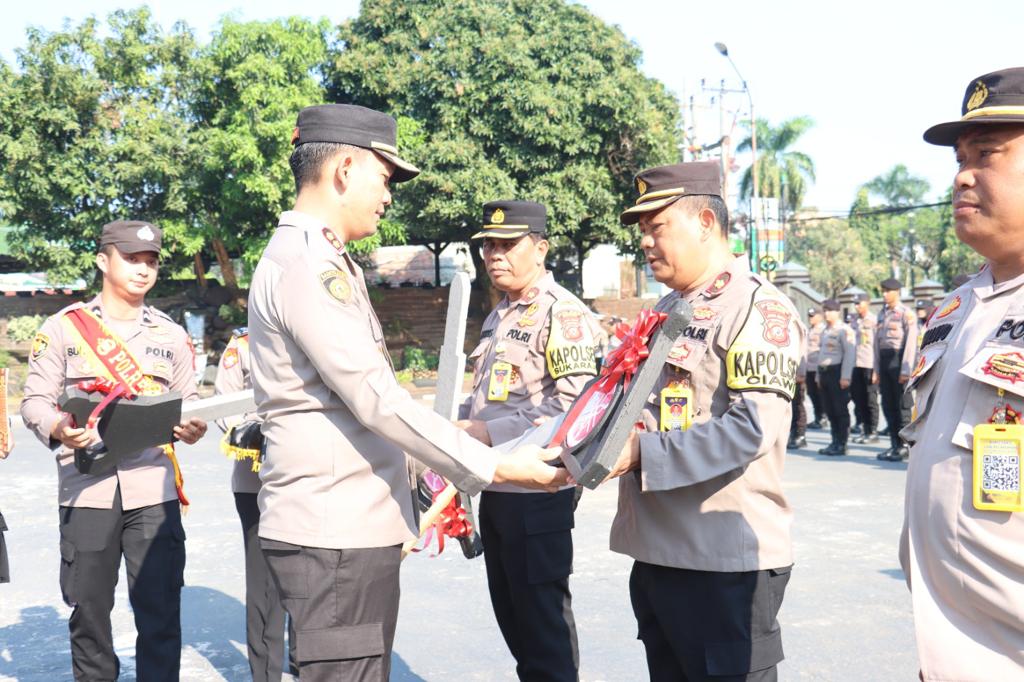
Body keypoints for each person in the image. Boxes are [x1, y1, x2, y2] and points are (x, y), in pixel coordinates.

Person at [247, 103, 567, 681]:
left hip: (342, 527)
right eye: (384, 176)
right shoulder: (307, 264)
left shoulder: (319, 258)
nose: (388, 194)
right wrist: (496, 469)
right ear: (344, 169)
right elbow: (376, 398)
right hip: (333, 533)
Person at [602, 161, 804, 681]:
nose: (645, 243)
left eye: (657, 228)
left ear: (706, 224)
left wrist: (639, 453)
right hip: (658, 550)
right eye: (642, 232)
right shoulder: (671, 307)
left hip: (722, 564)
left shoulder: (757, 307)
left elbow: (752, 429)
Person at [20, 220, 207, 681]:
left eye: (151, 262)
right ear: (104, 261)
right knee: (90, 615)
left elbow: (194, 402)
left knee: (160, 612)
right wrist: (61, 427)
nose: (143, 270)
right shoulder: (65, 329)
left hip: (153, 492)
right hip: (88, 488)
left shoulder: (170, 334)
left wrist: (194, 426)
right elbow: (34, 403)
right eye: (132, 259)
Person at [900, 65, 1024, 680]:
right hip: (950, 647)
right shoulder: (955, 306)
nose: (962, 175)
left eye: (987, 155)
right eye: (958, 158)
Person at [456, 200, 598, 681]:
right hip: (498, 487)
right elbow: (490, 399)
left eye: (507, 244)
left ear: (540, 249)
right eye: (488, 246)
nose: (494, 254)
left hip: (537, 494)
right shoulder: (501, 314)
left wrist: (484, 433)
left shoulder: (563, 314)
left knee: (543, 637)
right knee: (517, 626)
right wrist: (453, 424)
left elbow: (574, 412)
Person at [213, 328, 295, 681]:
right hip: (256, 481)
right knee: (265, 583)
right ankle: (265, 673)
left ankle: (307, 662)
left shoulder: (315, 334)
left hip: (314, 478)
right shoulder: (244, 344)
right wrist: (251, 433)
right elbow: (224, 405)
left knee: (312, 576)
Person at [873, 278, 918, 461]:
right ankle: (894, 445)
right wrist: (876, 369)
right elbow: (876, 344)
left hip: (899, 362)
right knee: (888, 405)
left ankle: (905, 447)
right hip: (884, 363)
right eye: (882, 290)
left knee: (902, 407)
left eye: (887, 291)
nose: (884, 294)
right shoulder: (881, 314)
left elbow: (911, 343)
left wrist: (906, 369)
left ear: (897, 292)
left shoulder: (906, 314)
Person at [816, 299, 855, 456]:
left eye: (829, 310)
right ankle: (834, 441)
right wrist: (818, 375)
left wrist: (845, 376)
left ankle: (842, 443)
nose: (826, 313)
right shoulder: (824, 330)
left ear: (837, 312)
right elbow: (821, 354)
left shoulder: (844, 330)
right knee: (829, 409)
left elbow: (849, 354)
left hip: (837, 373)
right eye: (825, 310)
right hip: (824, 372)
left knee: (840, 409)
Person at [849, 293, 880, 444]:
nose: (856, 306)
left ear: (867, 303)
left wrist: (876, 369)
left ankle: (873, 431)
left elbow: (877, 346)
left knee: (870, 400)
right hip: (856, 364)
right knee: (859, 399)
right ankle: (865, 429)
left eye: (859, 303)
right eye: (855, 304)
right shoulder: (853, 321)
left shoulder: (874, 321)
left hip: (869, 364)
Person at [805, 308, 827, 430]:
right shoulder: (809, 330)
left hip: (818, 366)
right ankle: (818, 417)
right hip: (809, 366)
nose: (810, 318)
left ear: (819, 316)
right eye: (809, 316)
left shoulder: (823, 330)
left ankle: (823, 417)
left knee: (820, 394)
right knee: (812, 393)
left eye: (813, 316)